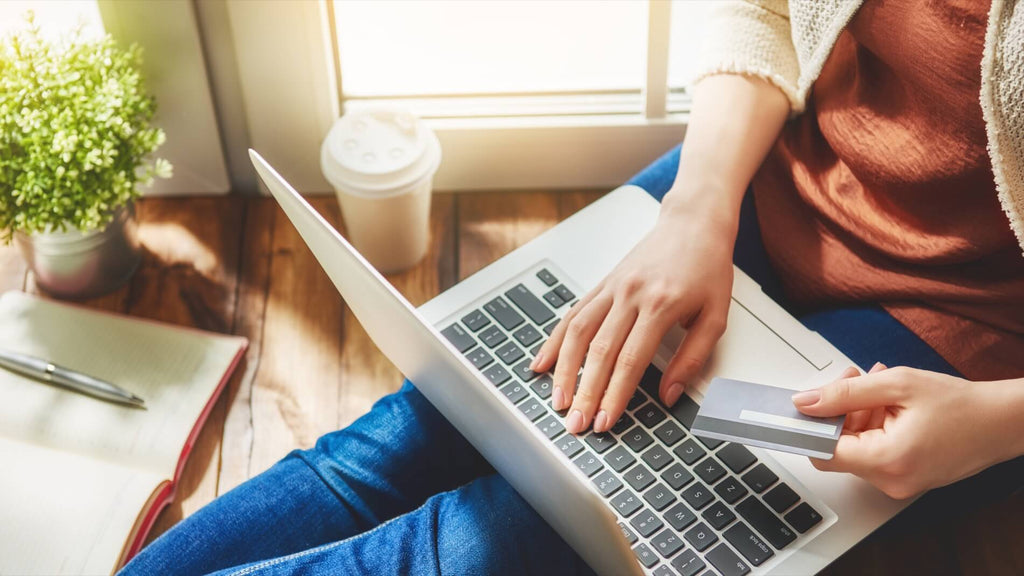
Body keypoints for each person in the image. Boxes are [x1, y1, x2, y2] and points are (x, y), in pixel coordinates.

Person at [121, 1, 1024, 574]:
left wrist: (993, 424)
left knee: (494, 544)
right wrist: (697, 206)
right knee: (409, 435)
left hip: (963, 338)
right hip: (757, 180)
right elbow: (770, 7)